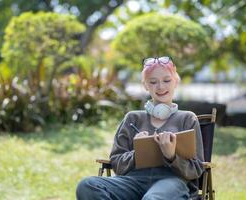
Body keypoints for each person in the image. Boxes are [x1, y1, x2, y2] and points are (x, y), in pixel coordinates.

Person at [76, 56, 204, 200]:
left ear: (176, 82)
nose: (160, 87)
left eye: (167, 80)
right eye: (153, 82)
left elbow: (197, 169)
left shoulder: (187, 119)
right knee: (87, 185)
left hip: (172, 182)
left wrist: (172, 156)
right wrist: (137, 153)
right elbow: (116, 164)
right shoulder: (132, 119)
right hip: (133, 181)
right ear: (145, 85)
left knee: (152, 198)